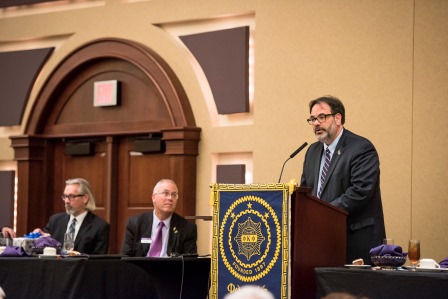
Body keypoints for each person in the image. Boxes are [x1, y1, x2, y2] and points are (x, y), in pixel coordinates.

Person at [300, 95, 386, 264]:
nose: (316, 123)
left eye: (322, 117)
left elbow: (359, 192)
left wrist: (321, 214)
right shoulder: (312, 151)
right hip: (321, 242)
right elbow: (307, 192)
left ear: (338, 118)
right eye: (312, 119)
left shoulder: (361, 148)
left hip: (354, 242)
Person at [121, 179, 197, 257]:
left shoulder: (187, 228)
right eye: (165, 193)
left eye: (174, 194)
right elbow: (125, 257)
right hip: (141, 268)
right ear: (154, 197)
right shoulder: (135, 223)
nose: (170, 198)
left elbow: (189, 263)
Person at [34, 178, 110, 254]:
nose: (66, 201)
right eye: (65, 196)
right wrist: (39, 238)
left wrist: (77, 256)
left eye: (71, 196)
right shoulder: (55, 221)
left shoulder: (100, 227)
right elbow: (42, 250)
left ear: (85, 198)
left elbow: (98, 260)